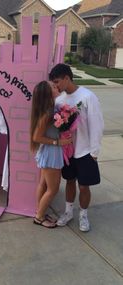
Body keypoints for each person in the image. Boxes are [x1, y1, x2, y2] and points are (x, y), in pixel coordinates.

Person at [49, 63, 104, 232]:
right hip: (68, 151)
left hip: (85, 150)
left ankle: (83, 215)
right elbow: (56, 126)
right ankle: (68, 212)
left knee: (84, 186)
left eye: (57, 82)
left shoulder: (88, 96)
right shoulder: (59, 100)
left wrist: (94, 151)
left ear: (67, 78)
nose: (56, 86)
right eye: (54, 83)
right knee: (70, 181)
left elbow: (97, 124)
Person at [30, 80, 72, 228]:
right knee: (53, 189)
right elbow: (36, 137)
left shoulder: (52, 109)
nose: (57, 87)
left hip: (49, 151)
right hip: (51, 153)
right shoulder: (48, 112)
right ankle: (39, 217)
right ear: (48, 93)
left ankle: (39, 211)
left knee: (43, 184)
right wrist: (58, 143)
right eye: (53, 87)